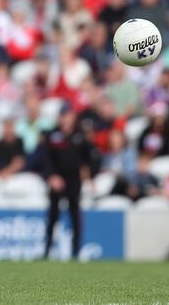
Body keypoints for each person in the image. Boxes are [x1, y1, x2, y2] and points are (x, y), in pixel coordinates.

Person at [39, 104, 95, 260]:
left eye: (68, 115)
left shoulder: (80, 135)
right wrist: (51, 176)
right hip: (57, 180)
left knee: (75, 215)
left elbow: (89, 157)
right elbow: (45, 158)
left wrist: (90, 175)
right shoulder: (52, 135)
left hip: (74, 181)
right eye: (63, 116)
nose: (66, 119)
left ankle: (76, 252)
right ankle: (47, 251)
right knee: (52, 216)